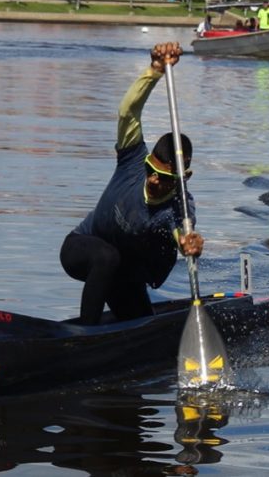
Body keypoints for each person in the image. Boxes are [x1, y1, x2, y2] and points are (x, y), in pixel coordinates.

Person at [60, 42, 203, 325]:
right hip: (79, 249)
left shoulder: (178, 207)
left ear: (181, 179)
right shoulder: (132, 157)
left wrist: (190, 244)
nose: (153, 179)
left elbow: (182, 235)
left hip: (122, 274)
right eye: (152, 170)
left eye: (163, 178)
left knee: (141, 322)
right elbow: (128, 112)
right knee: (107, 256)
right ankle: (87, 337)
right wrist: (155, 71)